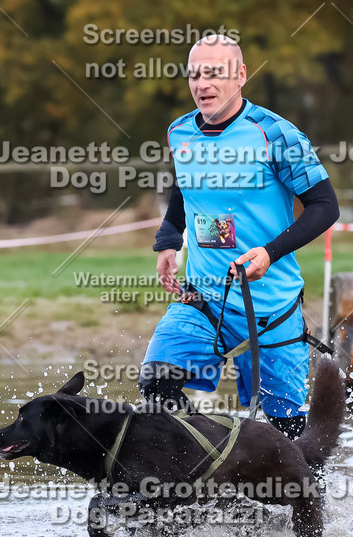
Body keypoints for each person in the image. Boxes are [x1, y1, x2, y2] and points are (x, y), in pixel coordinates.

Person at [139, 35, 339, 439]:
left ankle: (299, 498)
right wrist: (168, 238)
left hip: (270, 308)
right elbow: (185, 189)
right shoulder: (179, 133)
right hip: (204, 297)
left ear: (241, 75)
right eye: (195, 74)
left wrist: (269, 251)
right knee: (156, 384)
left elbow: (324, 206)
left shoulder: (276, 134)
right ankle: (206, 470)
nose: (202, 84)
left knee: (290, 435)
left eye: (214, 73)